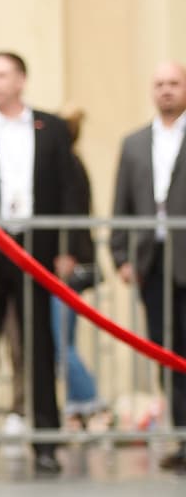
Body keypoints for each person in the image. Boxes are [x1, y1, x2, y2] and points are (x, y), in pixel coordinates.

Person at [0, 51, 83, 475]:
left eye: (1, 75)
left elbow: (70, 190)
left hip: (35, 250)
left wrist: (69, 248)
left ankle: (46, 440)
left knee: (39, 347)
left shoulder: (52, 129)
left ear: (21, 80)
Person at [110, 61, 186, 471]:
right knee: (166, 351)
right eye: (159, 84)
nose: (166, 90)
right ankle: (182, 435)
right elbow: (120, 202)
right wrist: (121, 256)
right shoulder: (135, 143)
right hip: (152, 264)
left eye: (174, 83)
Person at [52, 105, 106, 430]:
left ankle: (91, 400)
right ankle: (76, 404)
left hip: (66, 266)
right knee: (64, 338)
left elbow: (73, 210)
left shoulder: (68, 165)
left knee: (61, 342)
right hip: (64, 264)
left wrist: (67, 252)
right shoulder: (71, 163)